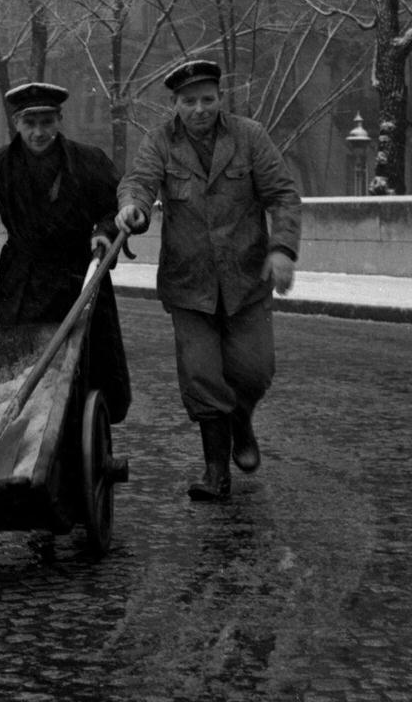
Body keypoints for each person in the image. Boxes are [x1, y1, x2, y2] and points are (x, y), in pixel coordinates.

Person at [117, 58, 300, 502]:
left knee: (255, 372)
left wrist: (281, 251)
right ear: (175, 104)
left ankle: (242, 420)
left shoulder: (249, 136)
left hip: (246, 277)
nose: (199, 109)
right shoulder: (159, 141)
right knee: (201, 377)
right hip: (189, 282)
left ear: (220, 99)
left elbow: (282, 195)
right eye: (188, 101)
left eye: (207, 99)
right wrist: (132, 209)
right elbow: (139, 182)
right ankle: (216, 471)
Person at [0, 81, 132, 424]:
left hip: (79, 276)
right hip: (23, 283)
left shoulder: (90, 161)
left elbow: (113, 209)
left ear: (59, 120)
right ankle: (29, 438)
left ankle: (77, 436)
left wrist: (104, 233)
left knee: (85, 361)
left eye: (46, 122)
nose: (39, 132)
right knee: (26, 365)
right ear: (17, 123)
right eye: (30, 123)